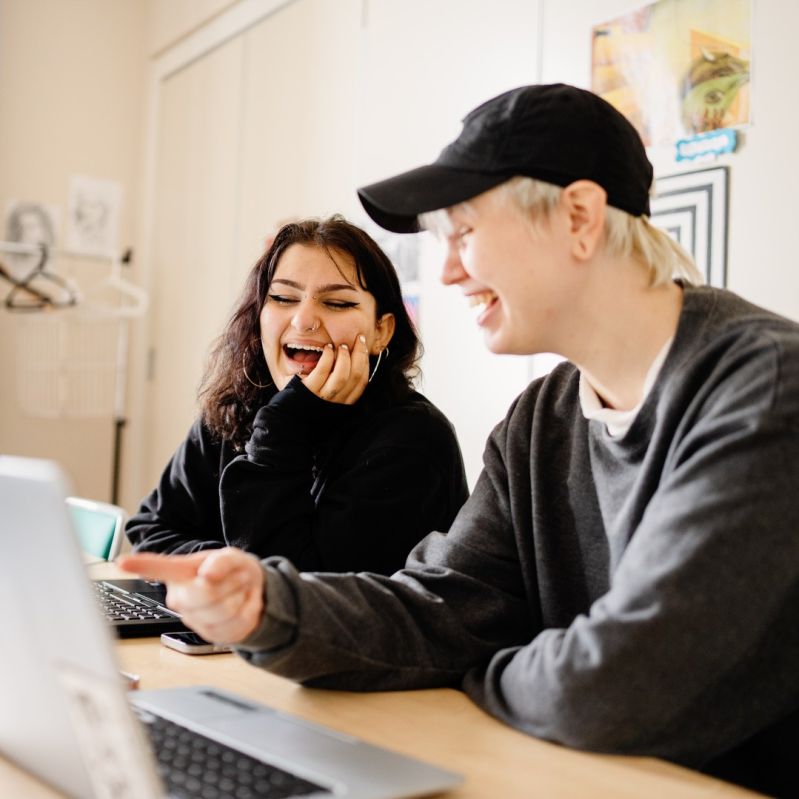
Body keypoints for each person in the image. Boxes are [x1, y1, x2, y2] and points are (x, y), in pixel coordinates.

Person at [121, 85, 799, 796]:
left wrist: (483, 661)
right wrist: (269, 607)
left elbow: (620, 683)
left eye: (465, 232)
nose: (445, 271)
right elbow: (441, 606)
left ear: (578, 217)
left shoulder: (765, 387)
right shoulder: (541, 418)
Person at [125, 215, 468, 574]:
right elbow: (151, 528)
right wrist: (224, 570)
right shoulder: (238, 407)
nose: (304, 320)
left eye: (338, 303)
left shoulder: (412, 441)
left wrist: (284, 426)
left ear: (382, 331)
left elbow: (303, 598)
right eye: (283, 297)